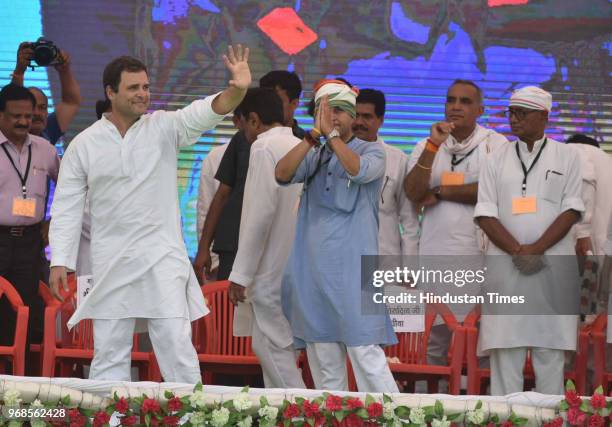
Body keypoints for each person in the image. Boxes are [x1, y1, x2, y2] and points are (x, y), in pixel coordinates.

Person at [48, 45, 251, 382]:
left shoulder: (164, 127)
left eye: (145, 87)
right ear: (110, 92)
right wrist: (60, 260)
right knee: (109, 353)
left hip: (162, 260)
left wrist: (238, 90)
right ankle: (109, 420)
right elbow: (67, 206)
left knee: (176, 347)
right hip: (111, 261)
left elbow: (208, 110)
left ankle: (190, 419)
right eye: (133, 88)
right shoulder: (85, 143)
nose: (143, 94)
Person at [276, 79, 398, 393]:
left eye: (342, 110)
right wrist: (312, 137)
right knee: (326, 370)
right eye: (327, 111)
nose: (335, 117)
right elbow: (282, 174)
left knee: (368, 358)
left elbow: (358, 170)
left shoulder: (373, 151)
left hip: (355, 277)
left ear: (354, 115)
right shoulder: (314, 153)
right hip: (314, 279)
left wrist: (331, 137)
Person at [474, 86, 584, 395]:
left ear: (544, 116)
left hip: (550, 271)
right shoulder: (496, 158)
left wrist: (536, 250)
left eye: (522, 113)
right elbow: (485, 213)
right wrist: (517, 251)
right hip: (506, 272)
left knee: (550, 358)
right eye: (511, 112)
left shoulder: (568, 156)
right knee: (504, 358)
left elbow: (572, 209)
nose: (514, 119)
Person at [403, 79, 507, 374]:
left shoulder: (495, 144)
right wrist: (434, 146)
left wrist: (441, 192)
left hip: (479, 257)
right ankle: (427, 406)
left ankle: (482, 408)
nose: (456, 106)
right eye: (451, 100)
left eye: (464, 101)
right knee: (430, 340)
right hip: (435, 255)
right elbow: (412, 191)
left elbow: (494, 190)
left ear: (480, 110)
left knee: (481, 341)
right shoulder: (427, 144)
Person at [227, 88, 306, 388]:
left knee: (273, 349)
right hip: (294, 268)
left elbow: (260, 214)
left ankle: (307, 416)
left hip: (268, 269)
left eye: (243, 122)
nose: (243, 130)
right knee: (272, 347)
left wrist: (241, 274)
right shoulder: (299, 145)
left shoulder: (263, 148)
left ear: (255, 120)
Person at [194, 71, 305, 283]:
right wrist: (203, 247)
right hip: (235, 243)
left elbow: (264, 210)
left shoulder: (303, 143)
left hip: (281, 249)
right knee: (233, 313)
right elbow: (221, 194)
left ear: (294, 103)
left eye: (277, 100)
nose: (269, 105)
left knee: (262, 311)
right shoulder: (244, 139)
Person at [0, 83, 60, 370]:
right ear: (1, 115)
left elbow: (71, 190)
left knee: (24, 313)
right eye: (16, 116)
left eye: (29, 115)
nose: (24, 121)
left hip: (29, 243)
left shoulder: (45, 150)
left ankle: (18, 390)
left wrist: (54, 221)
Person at [353, 89, 418, 257]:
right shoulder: (333, 157)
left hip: (384, 260)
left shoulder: (398, 160)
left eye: (367, 117)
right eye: (355, 115)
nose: (359, 122)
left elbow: (409, 221)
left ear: (380, 120)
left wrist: (410, 272)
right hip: (341, 262)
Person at [11, 42, 81, 145]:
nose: (37, 113)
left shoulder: (48, 131)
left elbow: (71, 102)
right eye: (32, 107)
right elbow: (11, 104)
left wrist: (64, 70)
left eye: (42, 107)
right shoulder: (7, 136)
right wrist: (19, 72)